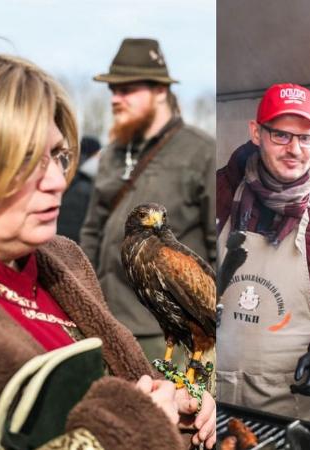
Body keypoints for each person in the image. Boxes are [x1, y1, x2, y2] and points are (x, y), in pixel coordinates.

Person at [0, 51, 216, 450]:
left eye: (58, 155)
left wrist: (175, 408)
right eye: (25, 158)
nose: (57, 180)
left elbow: (127, 391)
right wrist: (138, 427)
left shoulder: (62, 262)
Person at [215, 83, 310, 422]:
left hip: (289, 395)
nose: (294, 149)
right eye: (281, 136)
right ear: (257, 133)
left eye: (305, 137)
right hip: (212, 394)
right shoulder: (220, 192)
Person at [80, 38, 218, 361]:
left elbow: (220, 247)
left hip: (167, 331)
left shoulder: (202, 152)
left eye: (127, 89)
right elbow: (91, 232)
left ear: (160, 91)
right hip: (106, 322)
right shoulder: (113, 153)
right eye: (113, 90)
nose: (116, 98)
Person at [57, 136, 101, 242]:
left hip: (55, 235)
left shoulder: (64, 167)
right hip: (76, 240)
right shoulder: (89, 179)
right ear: (94, 153)